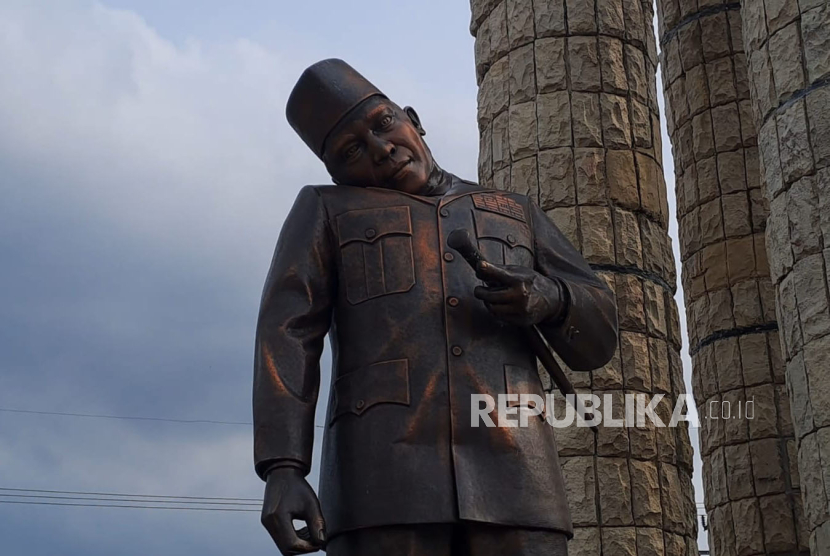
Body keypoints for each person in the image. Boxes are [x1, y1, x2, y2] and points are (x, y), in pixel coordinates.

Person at [254, 59, 618, 556]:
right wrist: (282, 467)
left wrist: (549, 298)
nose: (381, 150)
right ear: (335, 172)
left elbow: (600, 331)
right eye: (353, 150)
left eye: (384, 124)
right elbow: (286, 333)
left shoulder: (515, 212)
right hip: (383, 485)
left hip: (518, 480)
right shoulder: (326, 210)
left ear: (413, 119)